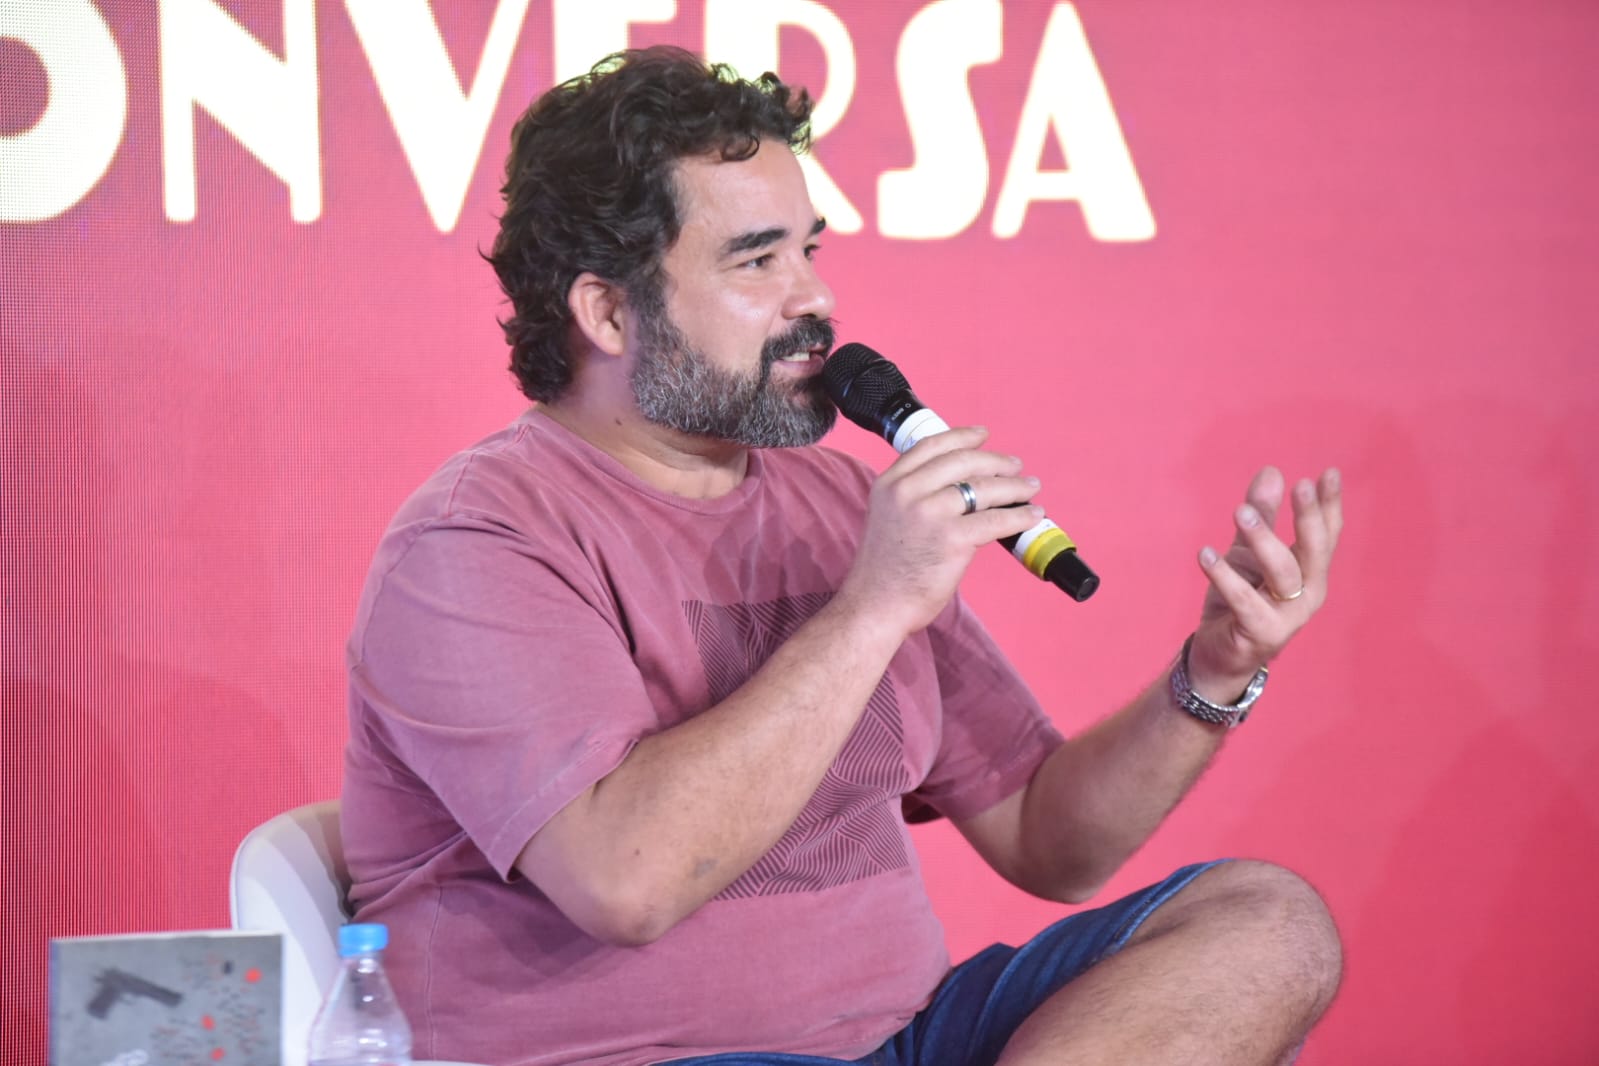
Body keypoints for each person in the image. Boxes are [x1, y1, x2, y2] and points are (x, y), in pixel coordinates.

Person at [340, 46, 1344, 1066]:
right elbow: (626, 882)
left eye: (809, 251)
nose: (813, 299)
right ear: (606, 311)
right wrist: (871, 609)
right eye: (756, 262)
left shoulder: (840, 503)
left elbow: (1049, 840)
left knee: (1267, 924)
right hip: (643, 1058)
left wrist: (1213, 675)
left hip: (901, 1039)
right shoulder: (480, 541)